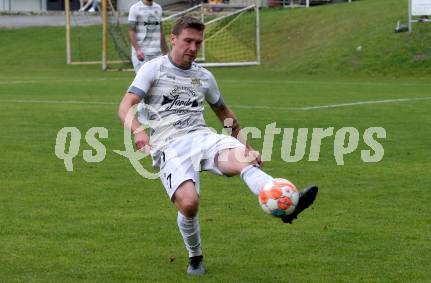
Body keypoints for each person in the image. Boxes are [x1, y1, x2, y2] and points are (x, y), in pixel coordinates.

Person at [118, 16, 318, 276]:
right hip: (169, 145)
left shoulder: (204, 76)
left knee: (243, 159)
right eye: (187, 41)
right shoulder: (153, 69)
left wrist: (246, 146)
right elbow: (125, 106)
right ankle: (195, 256)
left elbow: (224, 113)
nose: (192, 47)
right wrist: (138, 131)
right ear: (173, 39)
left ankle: (285, 207)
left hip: (203, 137)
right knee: (189, 204)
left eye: (197, 43)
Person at [128, 0, 169, 73]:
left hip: (157, 54)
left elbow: (161, 31)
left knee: (159, 82)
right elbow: (131, 30)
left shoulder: (158, 8)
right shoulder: (135, 8)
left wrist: (166, 53)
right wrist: (137, 50)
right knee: (144, 82)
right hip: (142, 54)